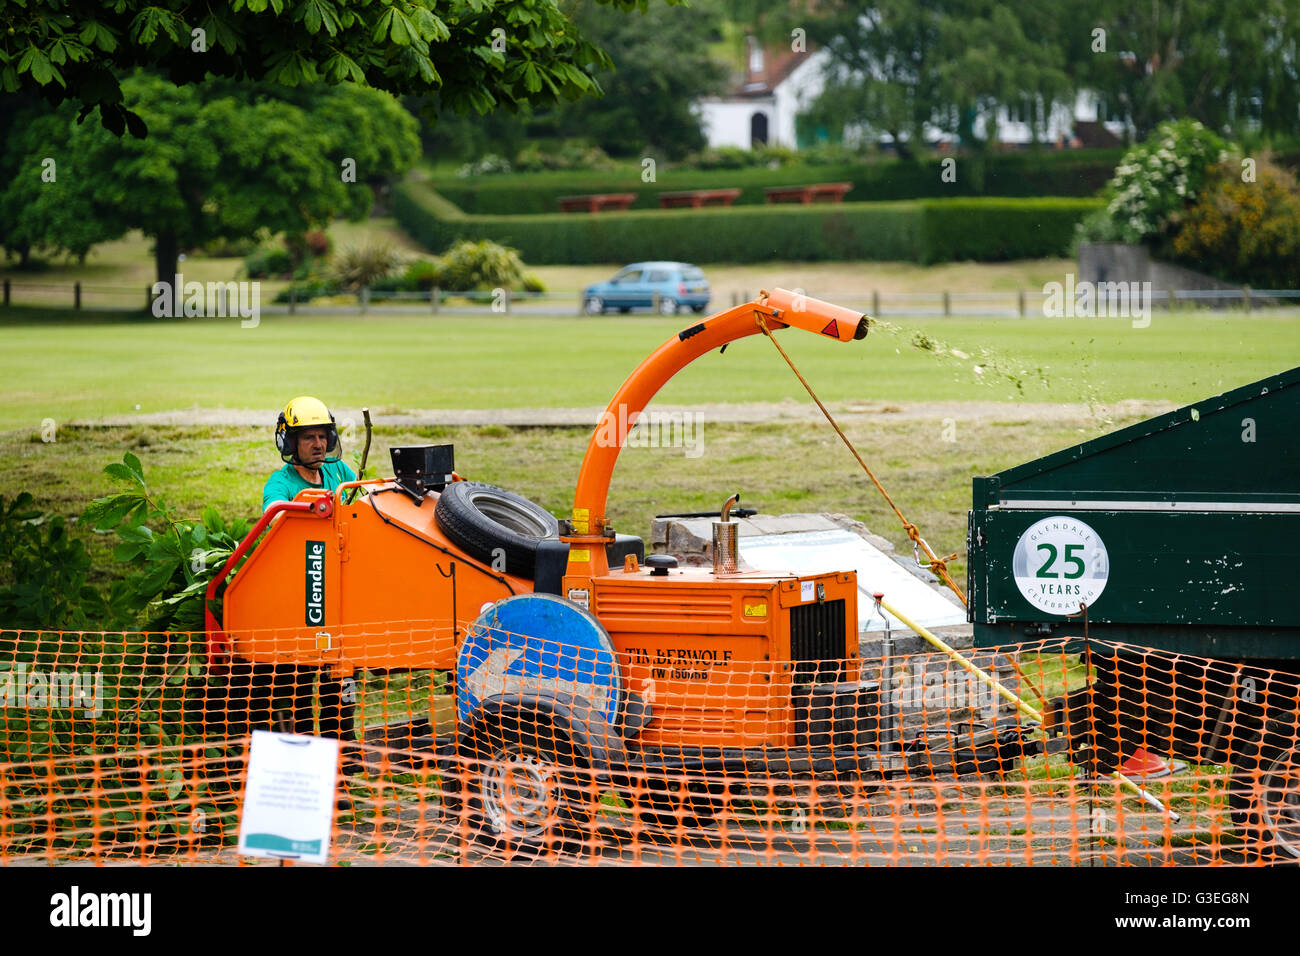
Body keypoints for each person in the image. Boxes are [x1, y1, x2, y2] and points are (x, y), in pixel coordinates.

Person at [262, 395, 357, 512]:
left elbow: (364, 496)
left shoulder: (337, 468)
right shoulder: (280, 482)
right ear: (290, 443)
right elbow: (273, 513)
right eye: (309, 437)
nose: (318, 445)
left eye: (322, 437)